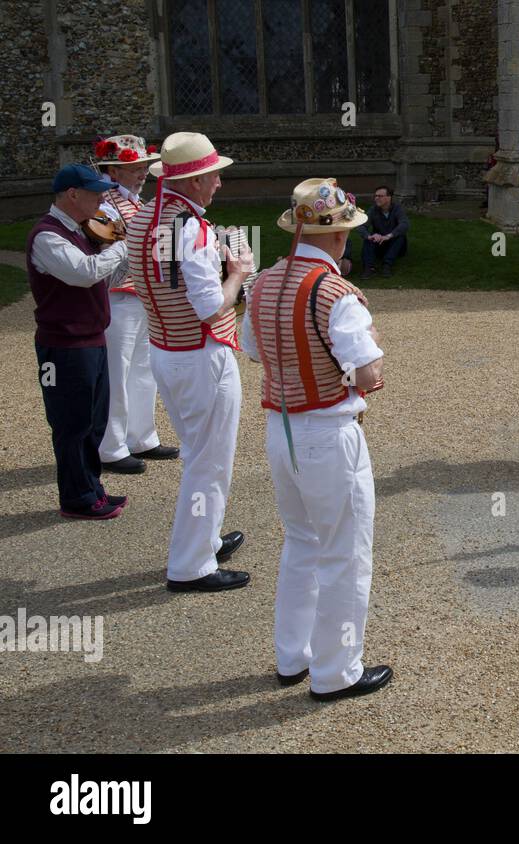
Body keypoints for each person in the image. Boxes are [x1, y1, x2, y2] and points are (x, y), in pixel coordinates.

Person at [242, 178, 392, 702]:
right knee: (345, 553)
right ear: (338, 236)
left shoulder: (262, 282)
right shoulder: (336, 293)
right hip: (328, 432)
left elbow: (253, 350)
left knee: (301, 542)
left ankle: (293, 656)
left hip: (279, 428)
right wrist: (371, 353)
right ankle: (336, 672)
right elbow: (367, 373)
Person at [126, 132, 252, 591]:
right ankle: (191, 565)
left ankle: (206, 538)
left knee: (202, 455)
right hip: (200, 355)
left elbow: (167, 279)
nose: (218, 183)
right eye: (213, 175)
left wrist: (212, 255)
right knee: (209, 462)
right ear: (195, 181)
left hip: (166, 348)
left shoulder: (147, 217)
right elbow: (211, 307)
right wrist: (236, 272)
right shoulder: (190, 229)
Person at [27, 164, 132, 519]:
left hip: (91, 339)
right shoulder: (47, 236)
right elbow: (85, 273)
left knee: (94, 421)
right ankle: (77, 498)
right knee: (71, 423)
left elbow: (110, 275)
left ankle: (92, 489)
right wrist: (120, 246)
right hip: (63, 346)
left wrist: (115, 247)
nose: (103, 198)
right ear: (73, 194)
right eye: (96, 192)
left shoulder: (83, 231)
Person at [93, 135, 179, 474]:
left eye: (143, 166)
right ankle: (111, 446)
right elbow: (114, 252)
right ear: (113, 170)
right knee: (118, 370)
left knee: (145, 368)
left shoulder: (138, 202)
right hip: (118, 298)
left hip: (142, 295)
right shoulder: (105, 202)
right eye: (133, 167)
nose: (142, 172)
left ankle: (142, 436)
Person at [359, 185, 408, 278]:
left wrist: (389, 236)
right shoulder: (373, 210)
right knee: (368, 239)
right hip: (379, 244)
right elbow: (361, 226)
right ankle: (369, 268)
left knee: (401, 236)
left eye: (380, 196)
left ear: (389, 197)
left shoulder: (397, 208)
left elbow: (404, 224)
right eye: (376, 196)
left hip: (395, 245)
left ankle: (387, 265)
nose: (377, 198)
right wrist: (369, 236)